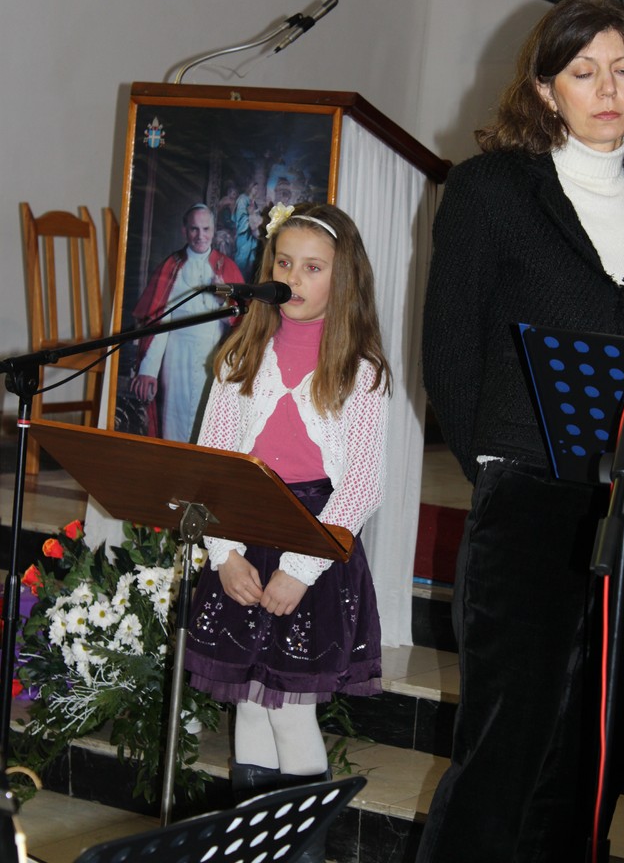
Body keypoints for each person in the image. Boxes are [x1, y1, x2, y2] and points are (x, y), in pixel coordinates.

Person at [419, 0, 624, 863]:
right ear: (547, 89)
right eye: (584, 72)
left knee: (592, 753)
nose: (608, 90)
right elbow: (450, 350)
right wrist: (498, 470)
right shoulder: (491, 189)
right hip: (528, 499)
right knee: (504, 752)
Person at [185, 202, 391, 863]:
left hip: (313, 546)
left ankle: (303, 852)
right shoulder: (241, 356)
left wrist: (300, 570)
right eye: (284, 263)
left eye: (313, 268)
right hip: (243, 536)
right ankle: (254, 849)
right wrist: (225, 555)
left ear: (343, 278)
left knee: (288, 707)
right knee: (249, 702)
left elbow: (361, 486)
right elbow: (213, 464)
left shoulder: (361, 371)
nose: (293, 279)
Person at [130, 203, 243, 442]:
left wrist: (223, 298)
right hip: (176, 354)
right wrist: (148, 370)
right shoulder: (171, 267)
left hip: (212, 355)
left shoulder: (227, 267)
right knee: (174, 417)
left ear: (213, 230)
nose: (200, 235)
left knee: (208, 419)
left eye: (206, 229)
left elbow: (241, 319)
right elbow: (159, 322)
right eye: (194, 229)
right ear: (184, 230)